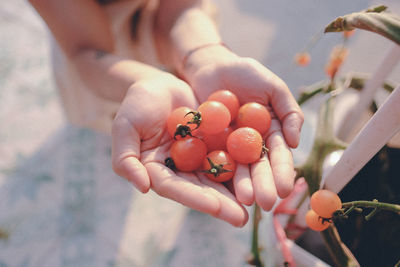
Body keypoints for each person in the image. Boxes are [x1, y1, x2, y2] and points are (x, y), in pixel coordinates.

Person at [29, 0, 304, 227]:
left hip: (165, 31)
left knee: (172, 99)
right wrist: (143, 82)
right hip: (101, 62)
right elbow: (86, 51)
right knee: (120, 126)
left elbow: (180, 8)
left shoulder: (211, 125)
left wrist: (206, 54)